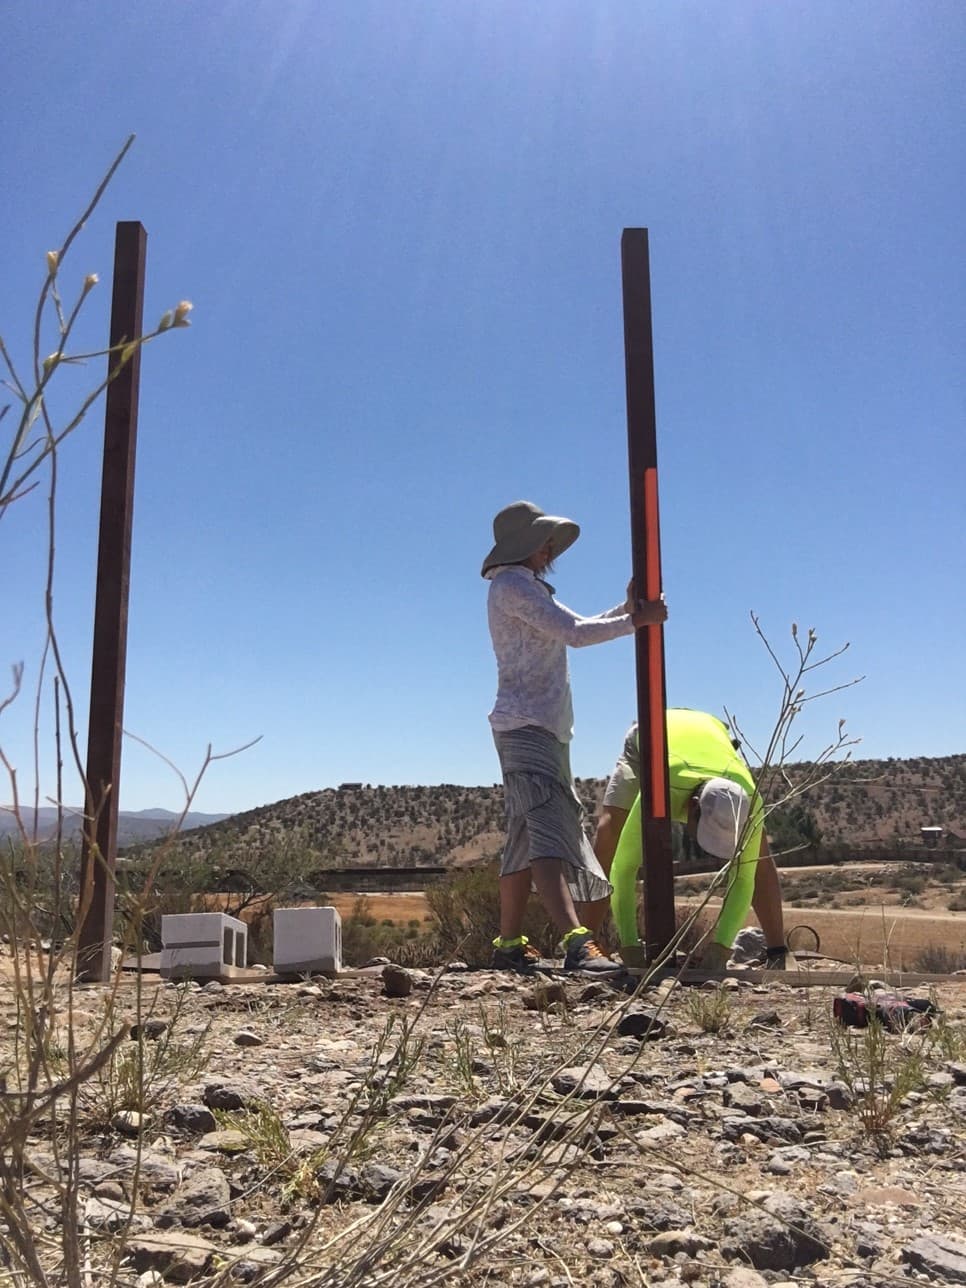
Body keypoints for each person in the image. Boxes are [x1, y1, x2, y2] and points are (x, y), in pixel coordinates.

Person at [482, 500, 668, 974]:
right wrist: (635, 621)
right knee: (547, 833)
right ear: (525, 543)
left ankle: (508, 943)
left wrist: (626, 611)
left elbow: (576, 626)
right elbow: (576, 633)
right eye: (544, 540)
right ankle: (576, 944)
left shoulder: (524, 587)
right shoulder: (511, 587)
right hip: (529, 726)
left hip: (534, 725)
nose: (550, 548)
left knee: (525, 834)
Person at [592, 711, 788, 971]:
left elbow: (743, 878)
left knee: (757, 856)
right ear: (693, 807)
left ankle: (778, 951)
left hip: (712, 736)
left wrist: (720, 950)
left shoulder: (750, 802)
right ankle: (584, 943)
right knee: (610, 833)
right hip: (650, 737)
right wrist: (629, 946)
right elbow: (624, 867)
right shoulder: (661, 788)